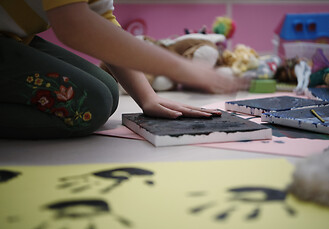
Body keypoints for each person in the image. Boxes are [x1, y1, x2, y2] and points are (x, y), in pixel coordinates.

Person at [0, 0, 248, 139]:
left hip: (15, 39)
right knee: (89, 106)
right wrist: (181, 68)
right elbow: (74, 25)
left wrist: (147, 97)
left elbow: (101, 19)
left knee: (108, 91)